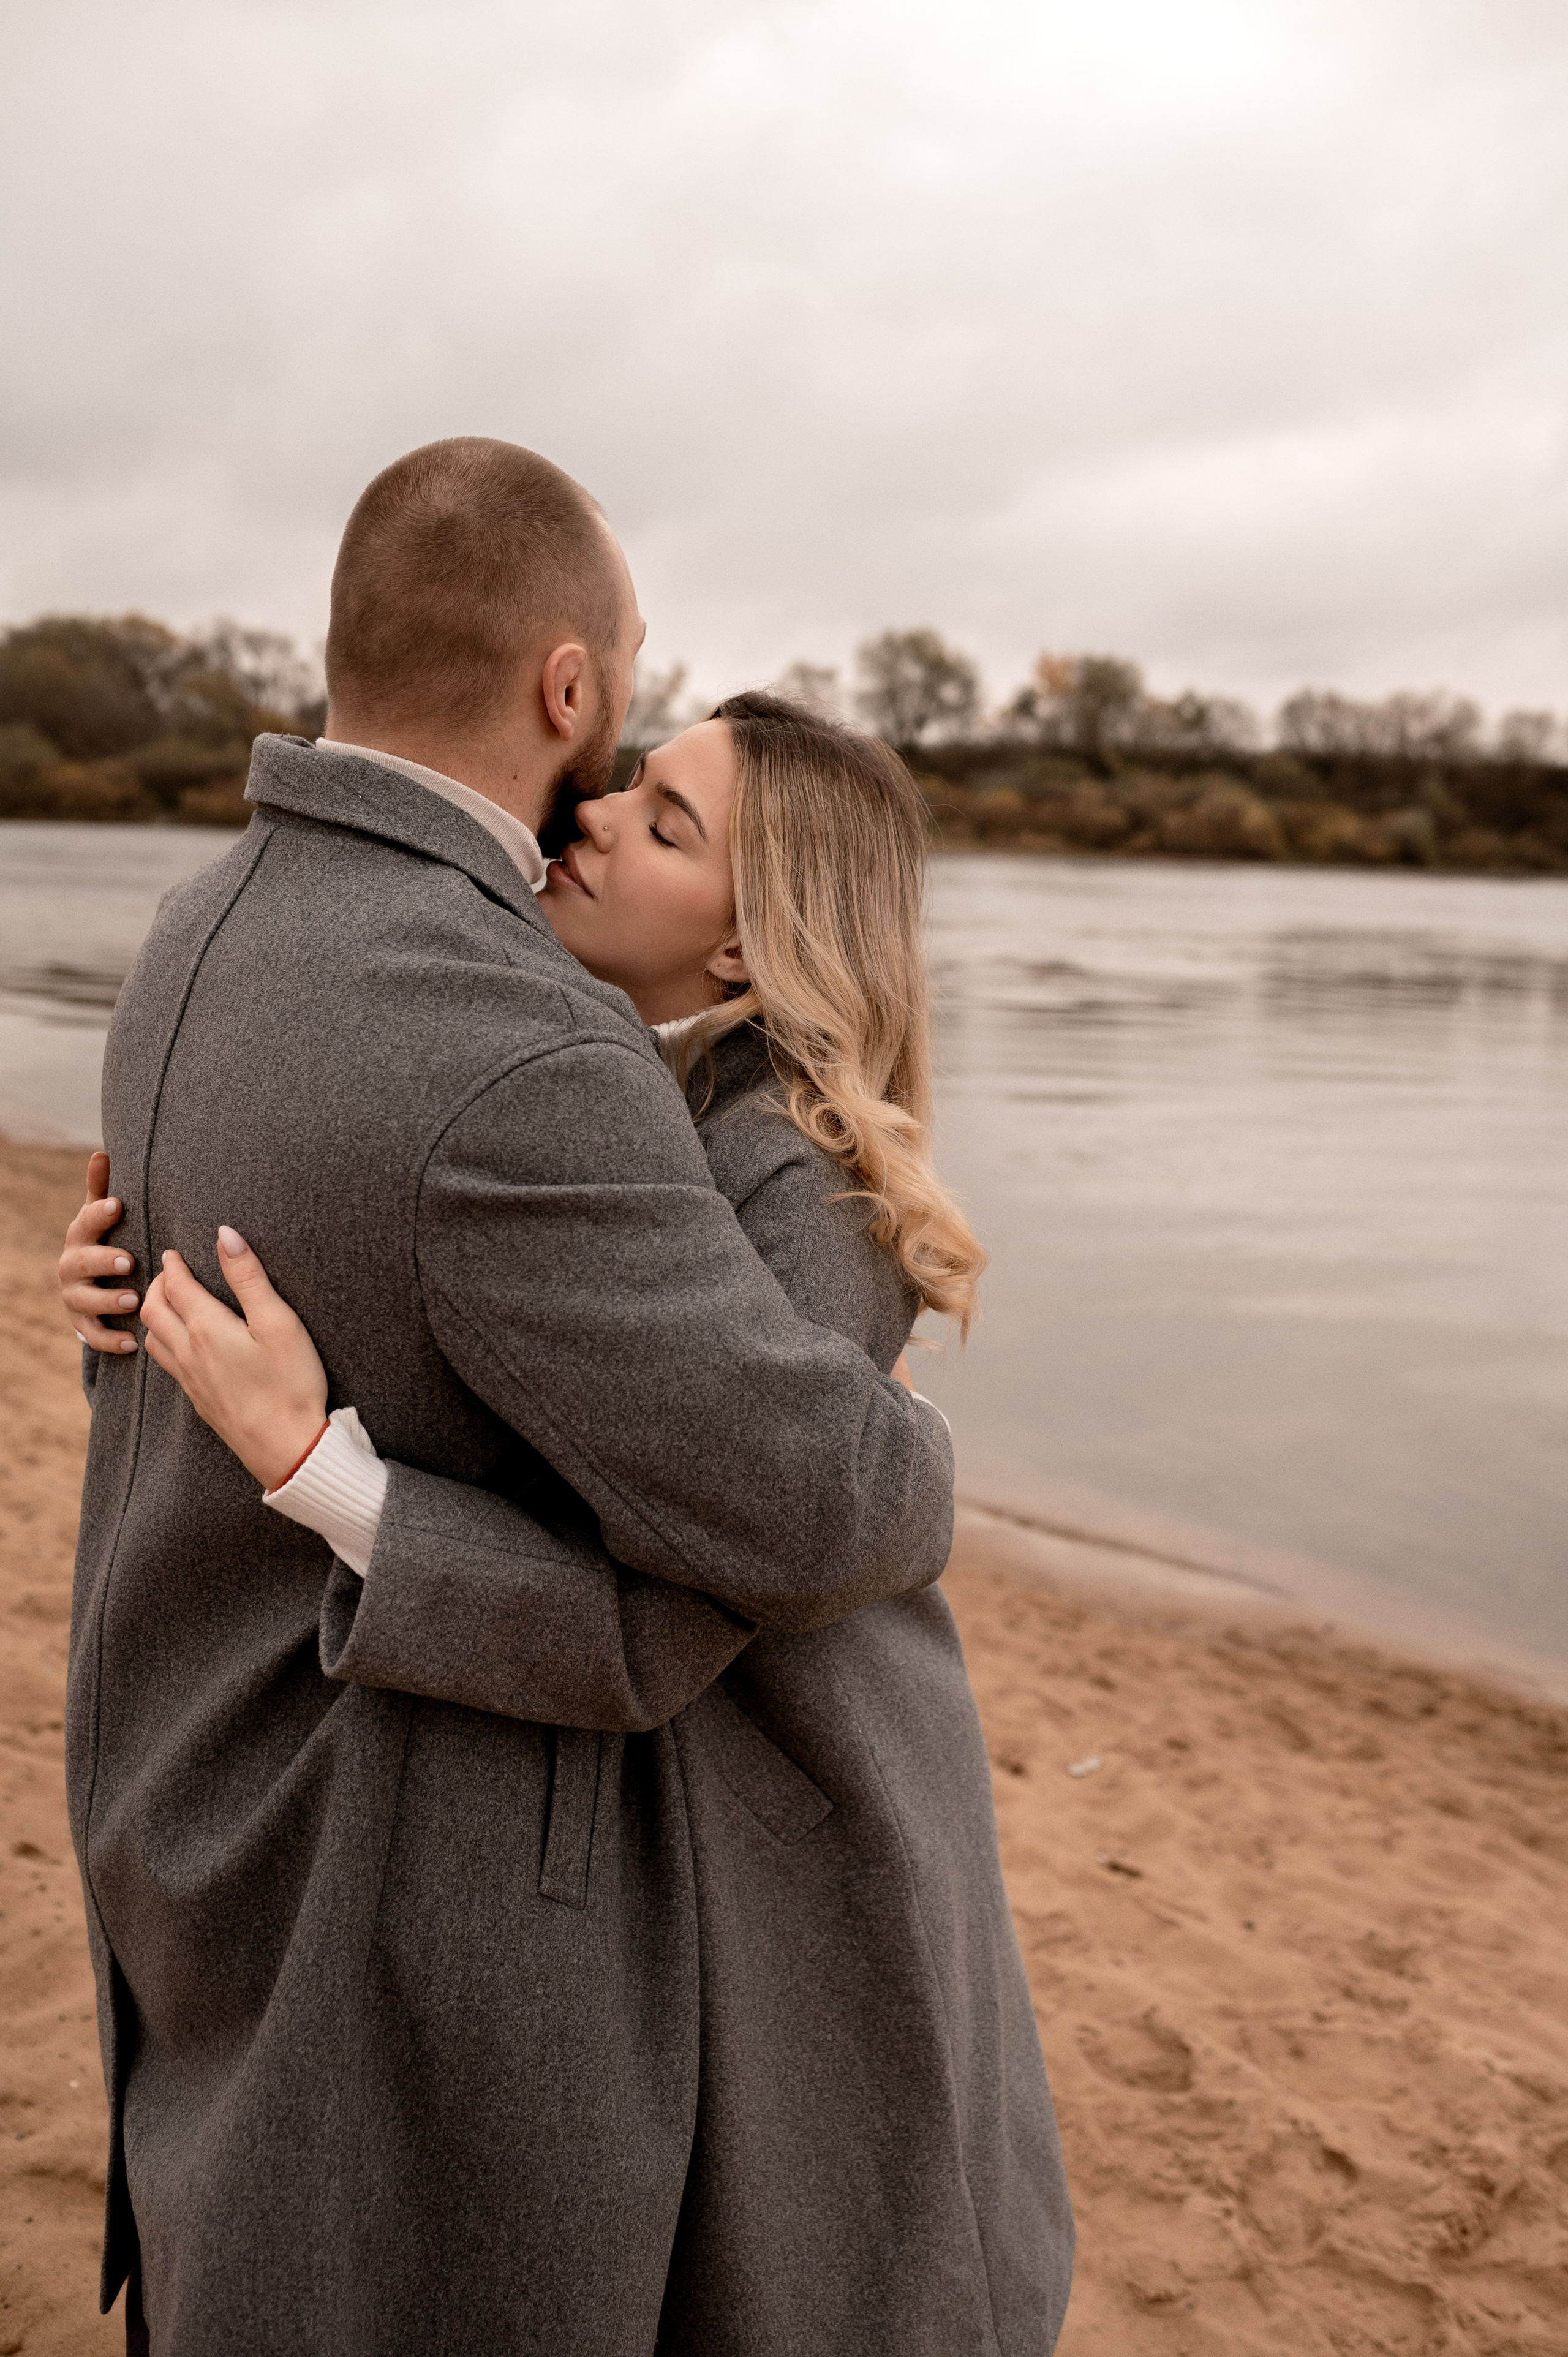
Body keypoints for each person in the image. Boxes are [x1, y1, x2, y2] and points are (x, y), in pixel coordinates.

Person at [59, 441, 1070, 2349]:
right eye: (635, 772)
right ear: (567, 687)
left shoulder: (205, 931)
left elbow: (764, 1540)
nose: (602, 816)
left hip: (806, 1820)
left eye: (669, 828)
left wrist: (331, 1480)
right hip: (503, 1828)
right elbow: (771, 1479)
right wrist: (139, 1296)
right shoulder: (563, 1061)